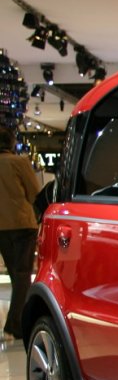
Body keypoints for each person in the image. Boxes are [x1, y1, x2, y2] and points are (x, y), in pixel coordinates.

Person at [0, 126, 40, 341]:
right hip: (22, 223)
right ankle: (14, 324)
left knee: (16, 275)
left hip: (2, 227)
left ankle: (17, 321)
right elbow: (34, 191)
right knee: (23, 274)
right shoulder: (18, 162)